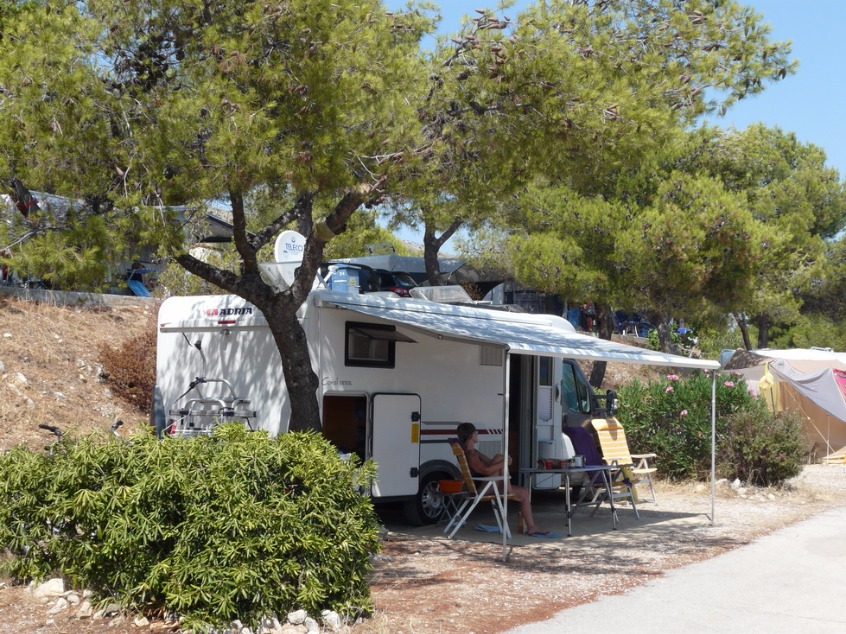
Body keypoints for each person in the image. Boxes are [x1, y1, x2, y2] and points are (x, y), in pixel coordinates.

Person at [456, 422, 549, 536]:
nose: (477, 435)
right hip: (482, 489)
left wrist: (504, 461)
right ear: (471, 435)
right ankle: (508, 489)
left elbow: (490, 463)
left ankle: (532, 527)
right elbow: (486, 471)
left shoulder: (474, 452)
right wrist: (503, 463)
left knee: (524, 492)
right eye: (476, 433)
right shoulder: (470, 454)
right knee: (500, 458)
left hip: (491, 484)